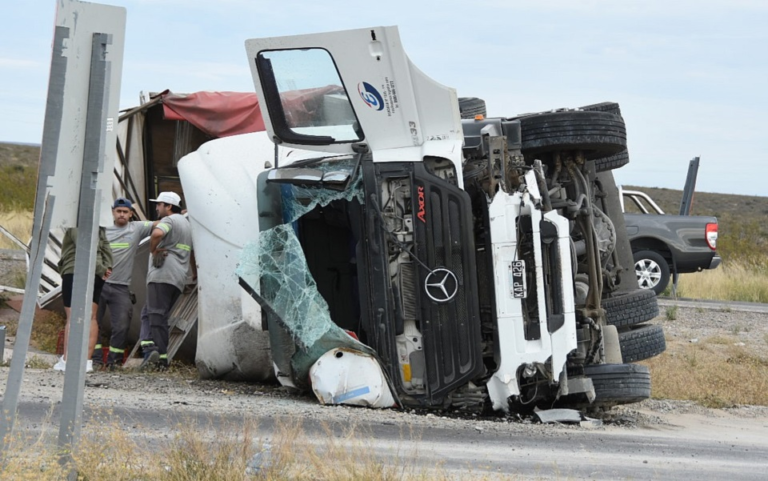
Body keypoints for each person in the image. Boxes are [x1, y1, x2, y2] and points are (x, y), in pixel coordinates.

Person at [93, 198, 157, 370]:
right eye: (118, 211)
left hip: (121, 288)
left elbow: (159, 225)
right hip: (99, 284)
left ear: (131, 214)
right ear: (113, 212)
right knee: (93, 322)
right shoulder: (102, 229)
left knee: (121, 326)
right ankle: (96, 360)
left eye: (125, 212)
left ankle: (113, 362)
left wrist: (177, 217)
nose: (121, 214)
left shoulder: (136, 228)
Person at [139, 191, 195, 371]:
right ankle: (149, 351)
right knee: (149, 313)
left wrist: (153, 250)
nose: (157, 207)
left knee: (156, 315)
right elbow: (191, 253)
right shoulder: (186, 225)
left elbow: (156, 234)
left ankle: (160, 357)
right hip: (178, 278)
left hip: (162, 275)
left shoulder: (169, 221)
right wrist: (194, 273)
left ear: (169, 206)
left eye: (159, 204)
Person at [53, 227, 112, 373]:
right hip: (97, 275)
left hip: (74, 271)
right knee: (92, 317)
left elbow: (84, 246)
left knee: (72, 317)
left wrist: (99, 268)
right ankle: (86, 362)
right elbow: (106, 248)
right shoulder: (99, 226)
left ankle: (67, 361)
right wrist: (106, 268)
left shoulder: (76, 224)